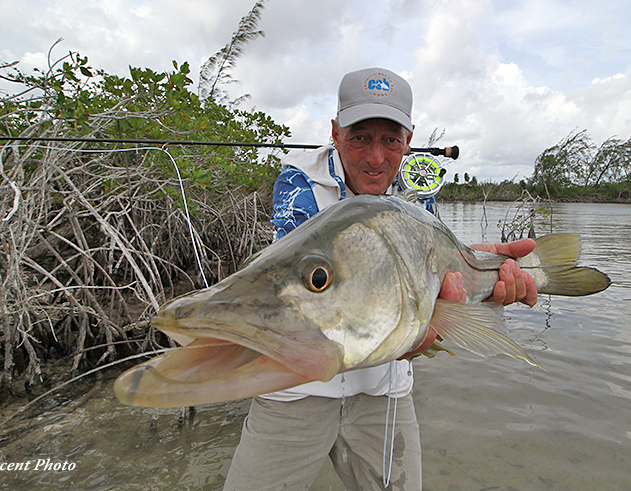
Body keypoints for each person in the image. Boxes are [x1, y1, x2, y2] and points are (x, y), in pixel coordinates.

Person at [223, 68, 538, 491]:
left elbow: (436, 276)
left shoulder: (415, 197)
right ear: (335, 133)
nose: (375, 158)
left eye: (390, 140)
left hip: (382, 390)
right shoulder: (299, 182)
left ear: (408, 141)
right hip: (295, 389)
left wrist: (480, 276)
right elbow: (295, 294)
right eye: (359, 137)